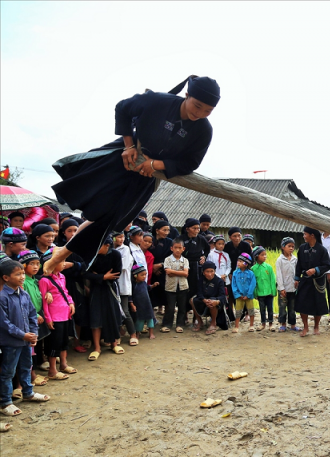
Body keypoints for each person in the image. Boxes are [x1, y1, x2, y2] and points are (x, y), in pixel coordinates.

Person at [48, 75, 220, 274]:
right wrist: (129, 145)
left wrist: (155, 165)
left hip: (148, 176)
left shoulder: (204, 130)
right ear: (187, 95)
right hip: (125, 158)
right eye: (197, 106)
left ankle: (62, 253)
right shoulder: (157, 101)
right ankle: (61, 252)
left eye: (208, 110)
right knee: (91, 196)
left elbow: (191, 162)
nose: (200, 113)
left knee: (110, 219)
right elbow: (123, 108)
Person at [1, 260, 50, 417]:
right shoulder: (3, 297)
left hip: (26, 341)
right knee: (8, 371)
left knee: (26, 366)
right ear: (6, 278)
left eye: (23, 273)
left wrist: (33, 334)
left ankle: (28, 392)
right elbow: (4, 323)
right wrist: (23, 335)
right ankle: (6, 402)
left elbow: (31, 314)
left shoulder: (24, 294)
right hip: (11, 342)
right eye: (18, 274)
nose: (22, 276)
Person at [83, 236, 124, 360]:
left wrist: (98, 275)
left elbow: (117, 273)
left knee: (111, 315)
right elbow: (85, 273)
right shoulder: (92, 255)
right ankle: (97, 348)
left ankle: (114, 344)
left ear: (107, 245)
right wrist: (103, 277)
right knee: (96, 317)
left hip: (110, 288)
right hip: (96, 289)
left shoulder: (115, 255)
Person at [39, 249, 77, 379]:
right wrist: (48, 318)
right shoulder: (45, 280)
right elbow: (44, 302)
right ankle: (52, 370)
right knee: (54, 343)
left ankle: (64, 364)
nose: (64, 264)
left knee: (64, 341)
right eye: (61, 261)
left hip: (65, 314)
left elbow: (65, 292)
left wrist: (71, 303)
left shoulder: (62, 276)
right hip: (54, 316)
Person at [57, 219, 89, 353]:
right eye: (69, 230)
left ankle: (76, 341)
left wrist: (74, 265)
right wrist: (76, 267)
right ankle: (61, 345)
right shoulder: (59, 248)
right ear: (63, 232)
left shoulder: (83, 246)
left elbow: (87, 265)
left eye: (75, 230)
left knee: (78, 313)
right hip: (62, 285)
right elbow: (59, 267)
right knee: (62, 315)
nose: (73, 233)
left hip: (78, 284)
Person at [18, 251, 49, 387]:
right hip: (29, 317)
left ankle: (37, 367)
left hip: (38, 314)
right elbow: (24, 302)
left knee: (37, 343)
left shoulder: (36, 280)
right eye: (32, 264)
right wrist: (35, 315)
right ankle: (31, 376)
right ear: (24, 266)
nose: (36, 267)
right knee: (30, 348)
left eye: (38, 264)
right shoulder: (23, 283)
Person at [294, 227, 330, 337]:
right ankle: (305, 327)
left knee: (317, 304)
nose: (304, 236)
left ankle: (316, 326)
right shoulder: (302, 248)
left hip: (318, 281)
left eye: (305, 234)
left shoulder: (322, 250)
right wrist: (297, 278)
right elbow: (299, 264)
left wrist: (316, 270)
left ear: (312, 235)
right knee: (302, 303)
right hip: (305, 280)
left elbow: (327, 265)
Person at [176, 218, 209, 306]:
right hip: (183, 265)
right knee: (184, 288)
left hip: (196, 266)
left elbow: (207, 249)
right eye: (194, 228)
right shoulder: (180, 239)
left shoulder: (201, 238)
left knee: (195, 287)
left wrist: (204, 256)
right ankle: (184, 310)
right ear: (187, 229)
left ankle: (194, 310)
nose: (196, 231)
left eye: (198, 228)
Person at [113, 231, 137, 342]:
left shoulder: (125, 249)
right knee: (114, 310)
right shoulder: (110, 248)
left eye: (122, 237)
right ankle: (117, 334)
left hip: (122, 284)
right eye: (118, 237)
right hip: (112, 284)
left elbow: (122, 266)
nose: (121, 239)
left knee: (125, 310)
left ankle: (133, 334)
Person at [161, 240, 190, 333]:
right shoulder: (167, 259)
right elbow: (168, 272)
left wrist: (173, 272)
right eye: (175, 248)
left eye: (180, 248)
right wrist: (180, 273)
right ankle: (167, 324)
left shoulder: (185, 260)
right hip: (170, 287)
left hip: (183, 286)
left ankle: (179, 324)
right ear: (171, 248)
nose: (177, 250)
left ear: (183, 249)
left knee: (182, 306)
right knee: (170, 307)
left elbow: (186, 273)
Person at [190, 262, 226, 334]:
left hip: (215, 302)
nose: (209, 274)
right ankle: (200, 322)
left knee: (212, 301)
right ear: (203, 272)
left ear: (214, 271)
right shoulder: (201, 280)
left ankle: (213, 323)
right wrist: (204, 300)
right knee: (192, 300)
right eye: (207, 271)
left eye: (211, 271)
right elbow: (199, 292)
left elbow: (223, 296)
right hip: (204, 300)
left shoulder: (219, 281)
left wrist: (216, 301)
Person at [224, 226, 252, 319]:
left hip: (244, 272)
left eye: (239, 235)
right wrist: (230, 273)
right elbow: (226, 261)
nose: (237, 238)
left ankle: (246, 313)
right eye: (234, 236)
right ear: (230, 237)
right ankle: (231, 312)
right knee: (232, 293)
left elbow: (250, 260)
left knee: (244, 292)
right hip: (231, 273)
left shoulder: (246, 246)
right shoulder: (227, 246)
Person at [250, 246, 277, 331]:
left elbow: (272, 279)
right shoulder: (253, 269)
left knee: (270, 308)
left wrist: (273, 291)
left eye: (265, 255)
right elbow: (253, 283)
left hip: (269, 292)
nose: (265, 256)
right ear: (256, 256)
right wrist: (255, 293)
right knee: (262, 309)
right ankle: (263, 323)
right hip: (260, 293)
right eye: (262, 255)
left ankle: (271, 324)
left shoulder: (268, 267)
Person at [276, 237, 299, 332]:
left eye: (293, 246)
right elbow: (279, 275)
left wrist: (298, 280)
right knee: (282, 307)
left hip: (293, 288)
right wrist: (281, 288)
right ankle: (283, 324)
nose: (291, 248)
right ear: (283, 247)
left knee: (292, 308)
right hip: (283, 288)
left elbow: (297, 272)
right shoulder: (280, 260)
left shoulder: (295, 259)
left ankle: (293, 325)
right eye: (289, 246)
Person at [150, 220, 173, 312]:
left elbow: (172, 257)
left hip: (164, 271)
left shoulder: (169, 242)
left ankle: (167, 319)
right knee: (151, 293)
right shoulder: (149, 240)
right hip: (149, 270)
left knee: (165, 294)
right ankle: (151, 318)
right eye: (164, 230)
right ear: (157, 230)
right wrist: (152, 267)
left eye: (168, 230)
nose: (166, 233)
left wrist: (160, 265)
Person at [231, 253, 256, 333]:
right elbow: (233, 285)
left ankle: (251, 325)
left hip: (249, 296)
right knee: (238, 311)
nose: (238, 262)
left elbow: (253, 284)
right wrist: (237, 294)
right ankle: (236, 326)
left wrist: (249, 294)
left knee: (251, 310)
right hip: (239, 296)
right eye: (238, 261)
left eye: (241, 261)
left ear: (246, 263)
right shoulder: (235, 273)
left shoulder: (251, 273)